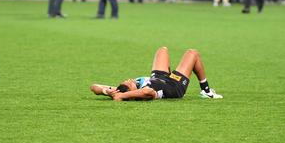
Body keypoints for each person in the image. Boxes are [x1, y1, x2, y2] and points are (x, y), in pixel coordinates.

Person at [90, 47, 223, 101]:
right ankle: (206, 91)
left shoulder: (120, 91)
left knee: (162, 50)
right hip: (173, 86)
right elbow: (148, 93)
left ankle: (174, 73)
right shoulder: (142, 93)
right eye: (129, 82)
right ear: (132, 89)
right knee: (193, 54)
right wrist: (123, 96)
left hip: (160, 77)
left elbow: (93, 87)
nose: (129, 79)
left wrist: (107, 92)